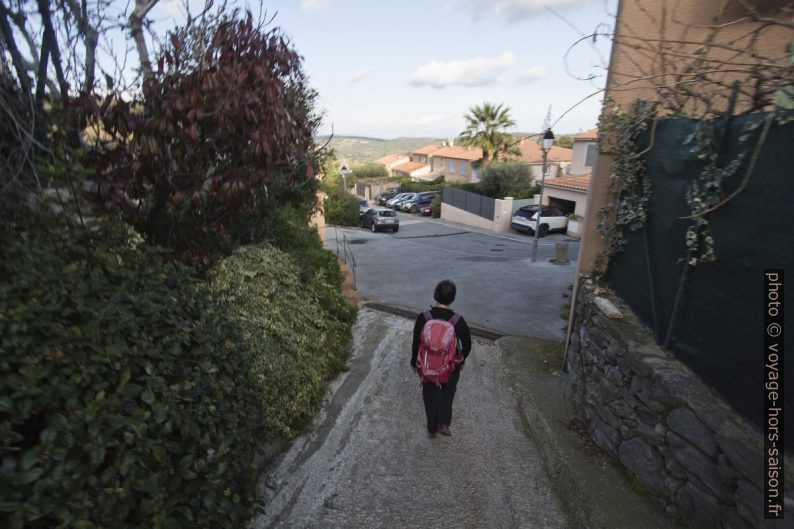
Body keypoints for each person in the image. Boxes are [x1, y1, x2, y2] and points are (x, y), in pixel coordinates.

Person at [411, 279, 472, 438]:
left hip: (427, 366)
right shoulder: (458, 321)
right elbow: (467, 345)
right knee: (447, 394)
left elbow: (416, 341)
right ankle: (444, 424)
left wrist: (413, 362)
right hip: (450, 368)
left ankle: (432, 427)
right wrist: (461, 360)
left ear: (435, 295)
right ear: (452, 298)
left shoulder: (424, 317)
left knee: (429, 395)